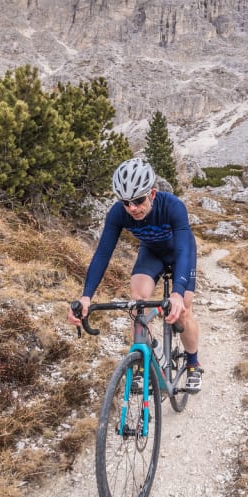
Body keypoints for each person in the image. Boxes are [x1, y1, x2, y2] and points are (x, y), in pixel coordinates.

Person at [68, 158, 203, 391]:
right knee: (138, 304)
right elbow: (102, 254)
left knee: (183, 311)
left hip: (181, 253)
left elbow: (183, 250)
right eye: (125, 202)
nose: (132, 208)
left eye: (138, 200)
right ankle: (144, 361)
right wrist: (86, 296)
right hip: (151, 253)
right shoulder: (118, 214)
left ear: (152, 193)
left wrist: (178, 294)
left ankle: (193, 363)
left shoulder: (172, 206)